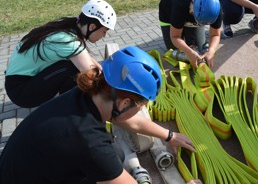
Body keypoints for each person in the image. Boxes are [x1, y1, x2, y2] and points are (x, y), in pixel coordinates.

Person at [0, 46, 202, 184]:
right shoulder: (89, 139)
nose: (141, 110)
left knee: (115, 158)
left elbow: (131, 121)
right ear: (124, 103)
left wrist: (170, 136)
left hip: (19, 170)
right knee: (111, 164)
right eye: (141, 105)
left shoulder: (90, 93)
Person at [5, 0, 117, 108]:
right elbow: (92, 74)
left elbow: (87, 59)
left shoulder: (69, 23)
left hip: (17, 80)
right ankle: (70, 108)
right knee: (76, 70)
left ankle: (69, 103)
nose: (104, 36)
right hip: (20, 92)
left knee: (76, 65)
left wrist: (102, 72)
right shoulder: (69, 41)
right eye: (104, 31)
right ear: (92, 26)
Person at [158, 0, 222, 69]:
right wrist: (189, 52)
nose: (202, 26)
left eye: (206, 24)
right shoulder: (180, 5)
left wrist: (211, 51)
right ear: (192, 11)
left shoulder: (216, 9)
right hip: (168, 13)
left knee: (199, 49)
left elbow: (215, 35)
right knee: (173, 51)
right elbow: (175, 37)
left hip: (189, 13)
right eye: (200, 22)